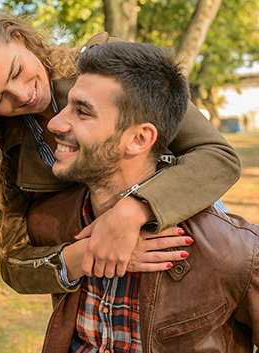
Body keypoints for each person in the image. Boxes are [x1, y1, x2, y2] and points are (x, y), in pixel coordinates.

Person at [0, 4, 241, 290]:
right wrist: (91, 253)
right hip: (93, 298)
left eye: (17, 71)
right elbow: (14, 261)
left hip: (184, 262)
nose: (22, 95)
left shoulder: (104, 66)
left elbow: (217, 156)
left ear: (19, 38)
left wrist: (133, 211)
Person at [26, 41, 259, 352]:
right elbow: (12, 266)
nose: (54, 123)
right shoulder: (50, 223)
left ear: (138, 139)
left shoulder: (232, 251)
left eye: (82, 112)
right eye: (67, 105)